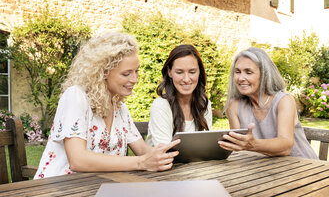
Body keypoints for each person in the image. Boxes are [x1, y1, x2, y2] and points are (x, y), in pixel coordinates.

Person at [34, 31, 180, 179]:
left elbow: (142, 150)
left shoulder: (119, 107)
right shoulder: (75, 97)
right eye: (126, 74)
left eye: (136, 71)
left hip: (95, 189)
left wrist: (170, 153)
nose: (134, 79)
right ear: (103, 72)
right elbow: (78, 161)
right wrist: (140, 163)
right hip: (58, 190)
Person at [218, 47, 318, 159]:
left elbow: (285, 146)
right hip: (265, 170)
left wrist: (252, 144)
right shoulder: (234, 106)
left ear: (264, 75)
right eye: (237, 72)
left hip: (304, 167)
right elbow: (237, 147)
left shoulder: (284, 101)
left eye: (248, 72)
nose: (241, 78)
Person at [145, 44, 213, 146]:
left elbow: (206, 145)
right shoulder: (161, 105)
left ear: (199, 72)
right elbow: (165, 152)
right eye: (179, 72)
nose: (186, 79)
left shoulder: (204, 103)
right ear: (169, 72)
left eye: (192, 72)